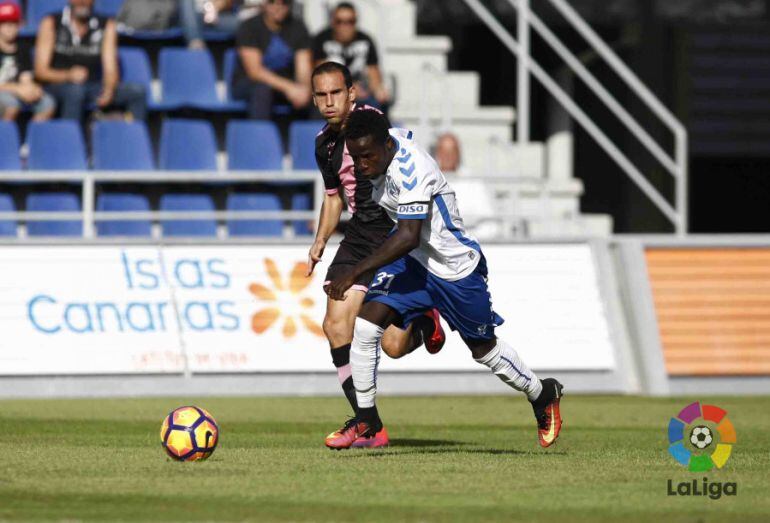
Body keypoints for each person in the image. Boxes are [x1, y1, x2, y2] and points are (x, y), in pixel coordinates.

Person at [324, 110, 564, 450]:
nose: (362, 165)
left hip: (454, 270)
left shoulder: (412, 169)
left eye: (368, 156)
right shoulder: (382, 143)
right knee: (366, 325)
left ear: (387, 146)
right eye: (356, 157)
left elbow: (407, 235)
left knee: (485, 351)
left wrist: (355, 272)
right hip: (415, 264)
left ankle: (542, 393)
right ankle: (367, 418)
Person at [308, 62, 445, 449]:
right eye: (322, 95)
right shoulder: (324, 144)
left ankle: (424, 322)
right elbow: (334, 198)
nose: (330, 101)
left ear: (352, 93)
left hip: (392, 231)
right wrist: (320, 241)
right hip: (358, 237)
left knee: (393, 346)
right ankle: (368, 423)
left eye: (337, 92)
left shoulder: (369, 122)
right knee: (335, 325)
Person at [34, 0, 147, 121]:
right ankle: (70, 137)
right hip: (57, 86)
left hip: (93, 85)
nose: (82, 2)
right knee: (75, 91)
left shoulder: (106, 24)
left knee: (137, 92)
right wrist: (68, 75)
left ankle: (133, 135)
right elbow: (40, 71)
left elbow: (110, 67)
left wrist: (109, 89)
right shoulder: (51, 22)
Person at [231, 0, 312, 120]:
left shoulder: (298, 27)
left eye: (284, 2)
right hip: (248, 83)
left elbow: (303, 68)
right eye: (272, 2)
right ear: (264, 3)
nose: (278, 7)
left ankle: (319, 137)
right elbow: (255, 72)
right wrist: (290, 88)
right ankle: (260, 136)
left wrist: (304, 89)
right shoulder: (249, 27)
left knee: (318, 93)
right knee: (262, 90)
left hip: (285, 83)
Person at [312, 2, 390, 111]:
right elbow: (321, 76)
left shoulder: (366, 40)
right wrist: (350, 89)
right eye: (339, 21)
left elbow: (374, 77)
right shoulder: (322, 40)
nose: (345, 26)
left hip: (361, 98)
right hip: (332, 96)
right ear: (333, 22)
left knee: (378, 104)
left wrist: (378, 90)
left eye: (350, 21)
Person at [0, 1, 56, 121]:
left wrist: (32, 89)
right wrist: (17, 89)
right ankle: (5, 137)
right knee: (11, 105)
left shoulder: (23, 48)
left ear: (20, 25)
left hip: (17, 91)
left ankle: (31, 138)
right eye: (4, 23)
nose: (9, 27)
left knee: (47, 103)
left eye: (13, 23)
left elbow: (26, 77)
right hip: (6, 92)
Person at [179, 0, 243, 49]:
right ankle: (196, 44)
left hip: (218, 16)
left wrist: (214, 8)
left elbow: (227, 3)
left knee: (245, 22)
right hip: (193, 18)